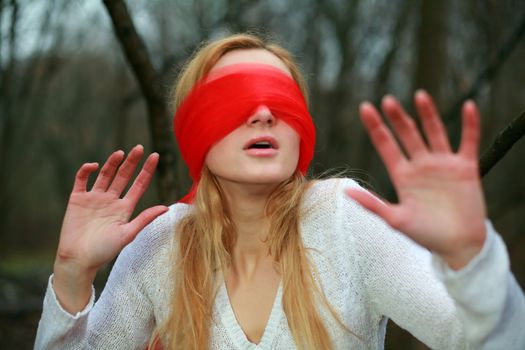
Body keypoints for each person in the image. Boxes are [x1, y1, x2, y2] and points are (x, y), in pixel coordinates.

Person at [34, 33, 524, 349]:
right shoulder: (160, 244)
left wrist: (470, 259)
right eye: (235, 99)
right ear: (194, 131)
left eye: (282, 100)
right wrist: (73, 274)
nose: (264, 113)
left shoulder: (346, 221)